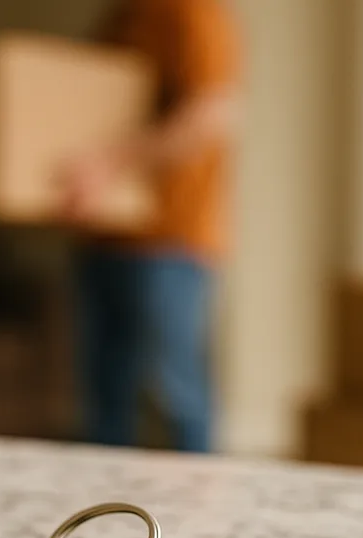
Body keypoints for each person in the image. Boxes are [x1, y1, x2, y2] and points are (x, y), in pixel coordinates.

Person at [60, 0, 240, 453]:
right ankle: (104, 495)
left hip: (169, 239)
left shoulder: (192, 12)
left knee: (175, 392)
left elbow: (209, 115)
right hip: (103, 234)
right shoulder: (123, 17)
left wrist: (111, 163)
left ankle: (199, 495)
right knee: (105, 396)